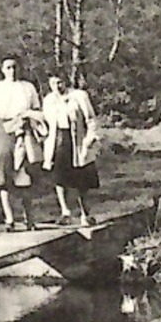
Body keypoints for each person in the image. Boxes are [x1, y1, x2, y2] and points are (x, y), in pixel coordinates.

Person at [0, 55, 43, 231]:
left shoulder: (27, 88)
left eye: (15, 67)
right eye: (8, 67)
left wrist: (36, 129)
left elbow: (37, 112)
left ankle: (30, 219)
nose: (12, 71)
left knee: (25, 175)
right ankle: (9, 219)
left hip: (23, 130)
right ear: (2, 70)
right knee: (2, 177)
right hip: (1, 131)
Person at [42, 73, 100, 226]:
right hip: (57, 140)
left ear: (65, 82)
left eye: (59, 82)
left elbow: (91, 119)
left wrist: (90, 138)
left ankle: (85, 214)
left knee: (81, 177)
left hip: (77, 140)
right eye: (53, 83)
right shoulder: (49, 100)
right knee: (59, 177)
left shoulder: (79, 96)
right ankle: (65, 212)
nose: (57, 87)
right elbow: (45, 122)